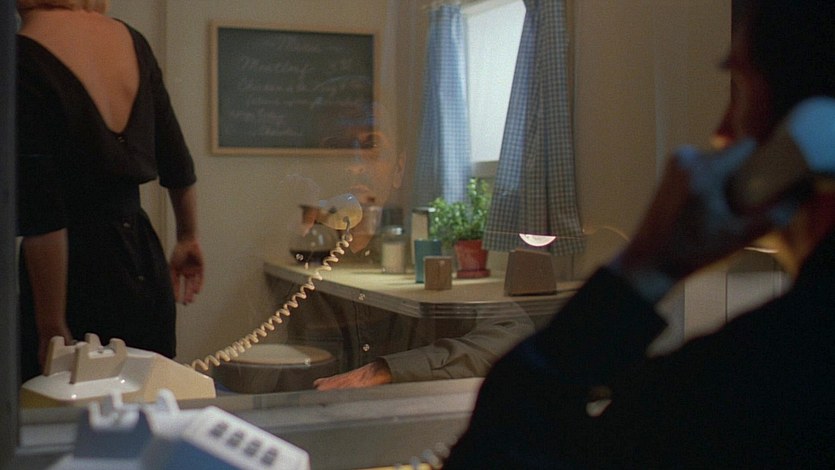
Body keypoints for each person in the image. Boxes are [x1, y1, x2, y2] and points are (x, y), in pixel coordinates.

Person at [444, 0, 835, 467]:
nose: (721, 132)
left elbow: (493, 453)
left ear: (811, 132)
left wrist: (641, 268)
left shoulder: (746, 386)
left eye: (741, 88)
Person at [271, 104, 535, 390]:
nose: (356, 164)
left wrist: (388, 370)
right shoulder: (296, 258)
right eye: (339, 146)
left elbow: (513, 332)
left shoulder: (428, 257)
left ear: (398, 168)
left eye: (371, 144)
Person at [16, 0, 204, 382]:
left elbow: (44, 215)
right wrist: (187, 236)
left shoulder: (22, 53)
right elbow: (176, 160)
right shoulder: (131, 39)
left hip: (72, 273)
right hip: (141, 258)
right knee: (146, 399)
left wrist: (50, 323)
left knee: (60, 408)